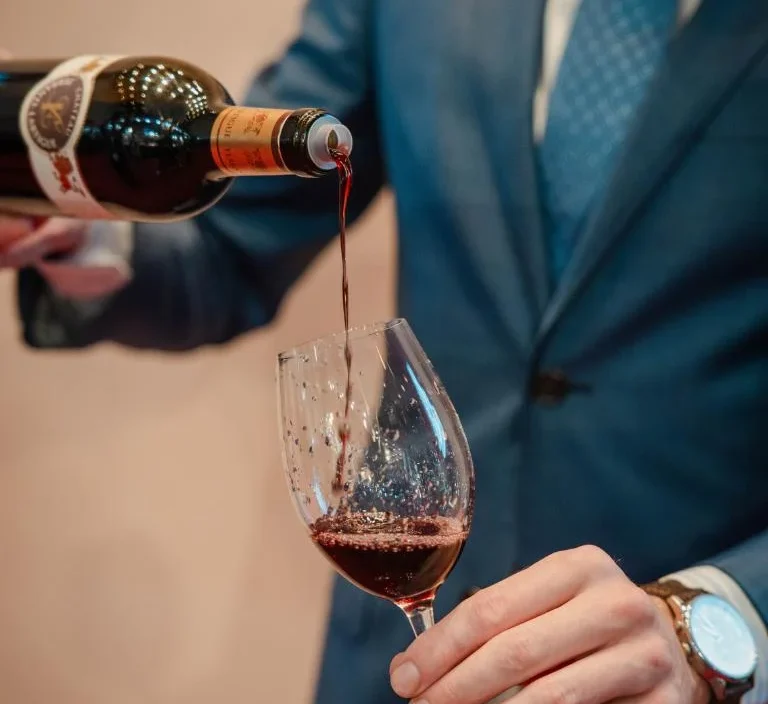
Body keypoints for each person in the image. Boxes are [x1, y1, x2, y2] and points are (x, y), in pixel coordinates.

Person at [2, 0, 768, 702]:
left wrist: (715, 622)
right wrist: (77, 232)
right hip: (394, 652)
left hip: (660, 663)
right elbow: (228, 243)